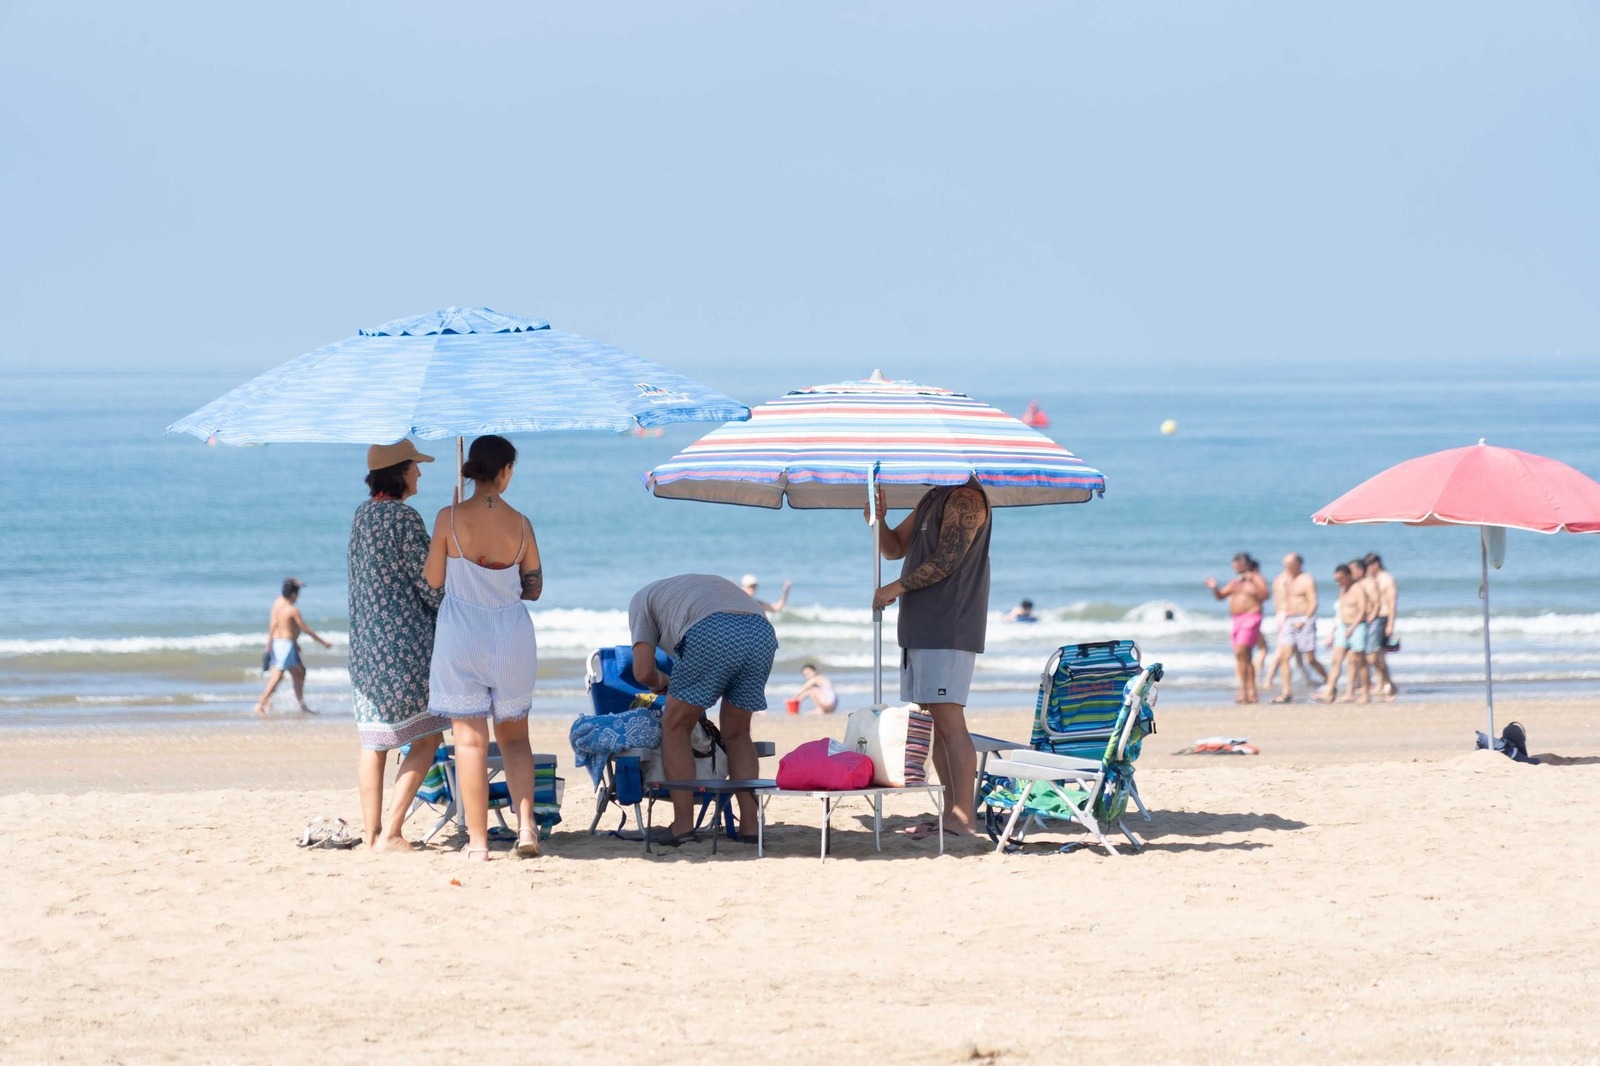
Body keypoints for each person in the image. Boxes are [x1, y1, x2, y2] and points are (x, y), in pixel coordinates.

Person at [424, 435, 544, 862]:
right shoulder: (523, 524)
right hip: (510, 635)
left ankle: (477, 843)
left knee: (470, 743)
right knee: (515, 741)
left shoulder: (448, 517)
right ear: (506, 470)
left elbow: (434, 581)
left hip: (461, 633)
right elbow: (534, 589)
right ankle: (526, 827)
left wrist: (451, 528)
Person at [867, 475, 991, 839]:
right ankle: (952, 812)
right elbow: (894, 549)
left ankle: (964, 819)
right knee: (939, 722)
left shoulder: (966, 497)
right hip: (921, 627)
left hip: (947, 625)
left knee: (951, 722)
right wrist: (878, 520)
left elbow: (948, 560)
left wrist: (895, 586)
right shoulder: (934, 496)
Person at [347, 439, 450, 851]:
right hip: (404, 646)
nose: (420, 473)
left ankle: (371, 834)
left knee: (374, 742)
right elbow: (430, 585)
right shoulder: (403, 518)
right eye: (415, 466)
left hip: (366, 648)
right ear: (399, 471)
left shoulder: (362, 515)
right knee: (426, 739)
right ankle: (391, 834)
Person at [628, 574, 778, 846]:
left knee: (676, 727)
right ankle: (749, 826)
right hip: (761, 632)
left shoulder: (640, 600)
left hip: (711, 629)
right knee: (737, 733)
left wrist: (662, 682)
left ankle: (682, 826)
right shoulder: (685, 591)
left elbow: (643, 671)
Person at [252, 577, 331, 715]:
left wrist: (270, 644)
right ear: (293, 594)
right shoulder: (292, 610)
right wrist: (323, 642)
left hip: (281, 644)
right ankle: (261, 704)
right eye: (298, 592)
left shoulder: (277, 604)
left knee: (299, 672)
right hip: (286, 646)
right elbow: (305, 629)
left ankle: (300, 705)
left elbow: (275, 626)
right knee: (278, 676)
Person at [1205, 553, 1269, 704]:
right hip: (1236, 620)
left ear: (1246, 564)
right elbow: (1220, 596)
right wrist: (1214, 587)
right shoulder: (1235, 582)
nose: (1235, 567)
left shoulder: (1256, 577)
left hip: (1252, 617)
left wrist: (1252, 581)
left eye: (1238, 564)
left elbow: (1265, 595)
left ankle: (1250, 692)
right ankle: (1247, 692)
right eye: (1234, 565)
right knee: (1243, 657)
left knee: (1241, 651)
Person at [1267, 553, 1328, 703]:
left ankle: (1329, 682)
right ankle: (1286, 692)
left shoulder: (1306, 579)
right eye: (1284, 564)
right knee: (1284, 657)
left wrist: (1304, 619)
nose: (1286, 568)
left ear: (1298, 564)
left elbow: (1313, 603)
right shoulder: (1285, 579)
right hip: (1288, 619)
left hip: (1304, 618)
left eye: (1289, 565)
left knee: (1310, 659)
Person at [1318, 562, 1372, 703]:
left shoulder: (1358, 589)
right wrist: (1333, 632)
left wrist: (1352, 627)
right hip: (1343, 627)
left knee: (1360, 661)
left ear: (1348, 576)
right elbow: (1340, 613)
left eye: (1341, 578)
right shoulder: (1342, 590)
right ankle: (1329, 692)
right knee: (1336, 660)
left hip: (1358, 626)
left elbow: (1362, 610)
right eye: (1336, 579)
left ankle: (1365, 694)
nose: (1338, 582)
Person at [1365, 552, 1399, 698]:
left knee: (1375, 656)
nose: (1367, 569)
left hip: (1383, 617)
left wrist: (1390, 623)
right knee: (1377, 655)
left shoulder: (1387, 579)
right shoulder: (1372, 579)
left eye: (1369, 566)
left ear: (1375, 564)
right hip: (1374, 619)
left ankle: (1387, 683)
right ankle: (1383, 683)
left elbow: (1392, 603)